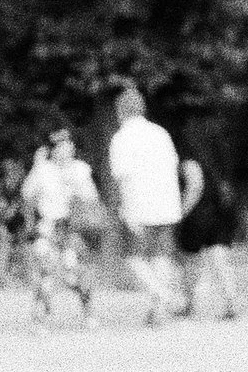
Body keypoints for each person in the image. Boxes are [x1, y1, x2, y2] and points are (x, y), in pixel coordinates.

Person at [107, 87, 183, 327]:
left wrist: (120, 207)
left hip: (139, 204)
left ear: (121, 111)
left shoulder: (121, 138)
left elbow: (120, 177)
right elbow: (173, 164)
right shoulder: (160, 133)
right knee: (161, 256)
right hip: (167, 201)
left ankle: (163, 295)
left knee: (135, 258)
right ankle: (156, 309)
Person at [21, 127, 100, 328]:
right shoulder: (42, 169)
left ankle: (88, 312)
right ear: (52, 150)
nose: (66, 149)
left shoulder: (81, 169)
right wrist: (36, 165)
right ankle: (41, 315)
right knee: (45, 271)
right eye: (60, 146)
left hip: (72, 226)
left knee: (74, 271)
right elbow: (27, 195)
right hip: (48, 225)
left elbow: (91, 199)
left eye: (68, 145)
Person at [174, 127, 246, 321]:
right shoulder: (219, 162)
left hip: (197, 216)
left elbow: (194, 186)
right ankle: (231, 302)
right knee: (220, 258)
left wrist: (180, 213)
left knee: (190, 261)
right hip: (219, 215)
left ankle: (189, 303)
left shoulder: (190, 158)